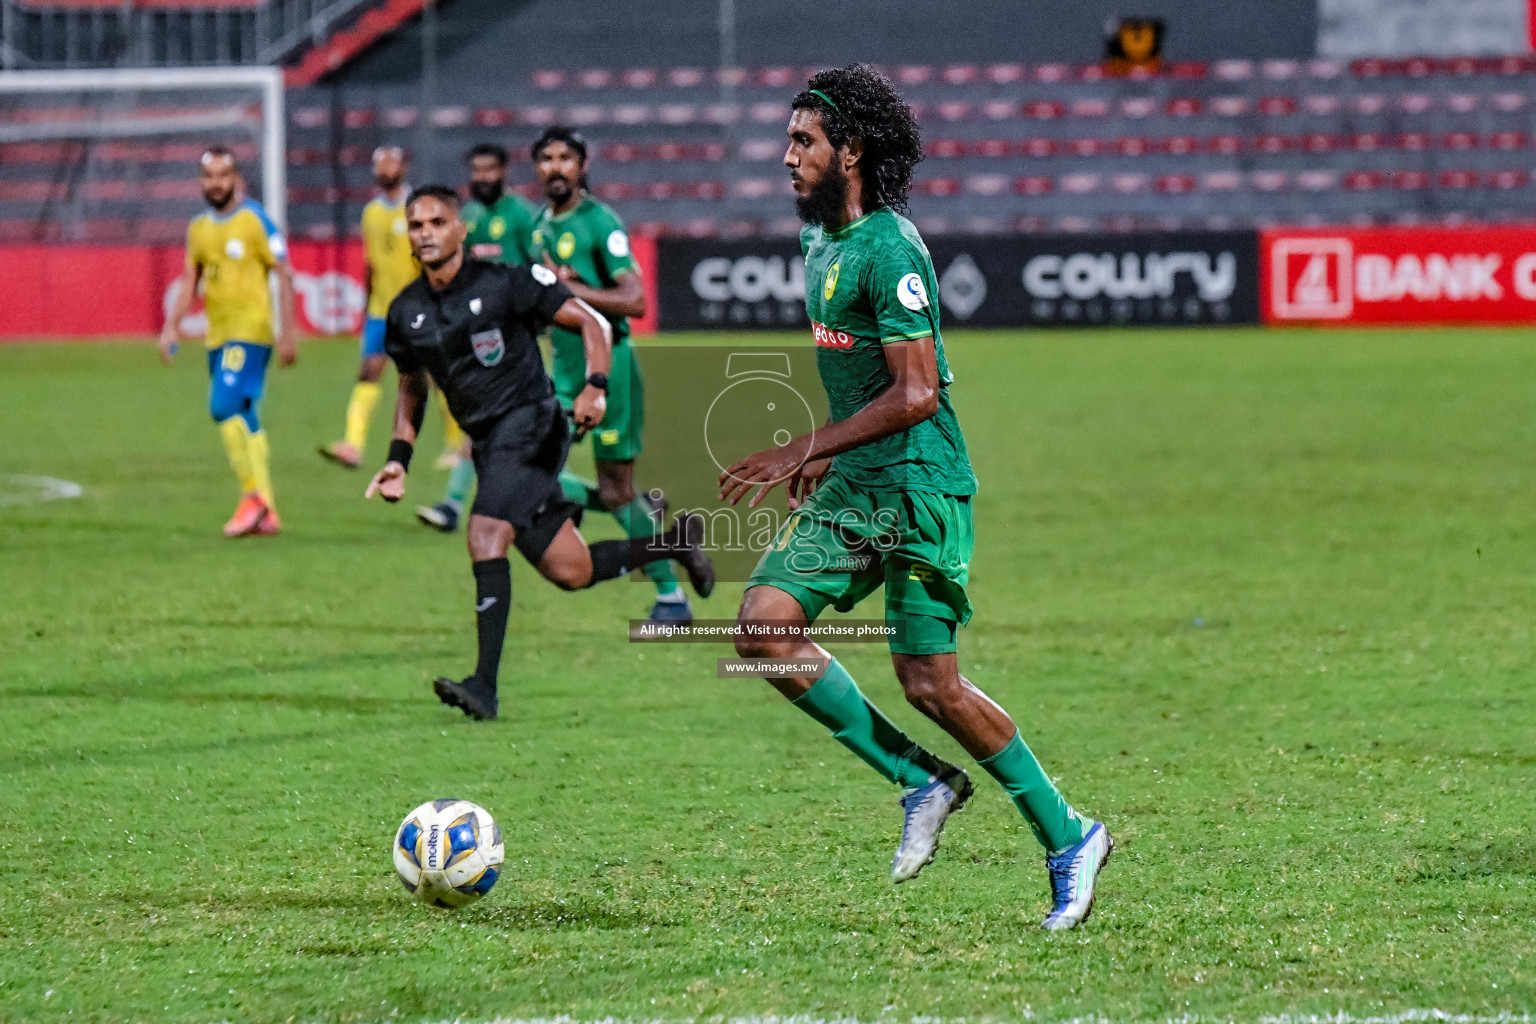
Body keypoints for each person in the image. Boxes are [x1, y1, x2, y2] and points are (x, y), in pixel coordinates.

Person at [721, 65, 1112, 930]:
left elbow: (916, 394)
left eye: (803, 142)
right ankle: (920, 780)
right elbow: (863, 381)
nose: (786, 157)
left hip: (921, 486)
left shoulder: (892, 247)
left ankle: (1068, 835)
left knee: (931, 684)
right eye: (787, 139)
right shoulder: (819, 243)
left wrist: (803, 444)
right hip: (859, 484)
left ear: (850, 151)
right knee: (761, 624)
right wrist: (829, 454)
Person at [365, 186, 714, 722]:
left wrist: (595, 385)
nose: (427, 232)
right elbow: (411, 390)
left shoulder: (507, 282)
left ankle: (484, 686)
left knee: (484, 535)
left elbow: (591, 322)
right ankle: (673, 544)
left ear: (462, 230)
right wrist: (397, 458)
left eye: (438, 221)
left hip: (534, 426)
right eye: (416, 225)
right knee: (570, 570)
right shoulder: (406, 311)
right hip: (489, 445)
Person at [525, 126, 692, 629]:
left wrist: (570, 287)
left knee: (615, 490)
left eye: (566, 158)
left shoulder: (600, 223)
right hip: (562, 370)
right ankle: (652, 514)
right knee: (534, 473)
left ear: (583, 165)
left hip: (610, 369)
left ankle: (672, 600)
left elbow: (635, 300)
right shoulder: (538, 228)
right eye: (547, 158)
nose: (556, 167)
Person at [160, 145, 297, 537]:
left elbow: (284, 273)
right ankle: (267, 512)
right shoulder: (199, 229)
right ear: (201, 182)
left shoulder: (255, 221)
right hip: (217, 336)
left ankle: (252, 499)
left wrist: (288, 332)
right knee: (245, 418)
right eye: (209, 176)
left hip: (250, 332)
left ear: (235, 179)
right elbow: (191, 280)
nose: (216, 183)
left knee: (222, 405)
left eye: (223, 175)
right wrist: (172, 326)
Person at [415, 142, 540, 533]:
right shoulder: (465, 217)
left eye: (490, 170)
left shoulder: (522, 216)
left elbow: (541, 273)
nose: (482, 177)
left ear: (504, 171)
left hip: (515, 340)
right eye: (477, 170)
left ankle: (454, 504)